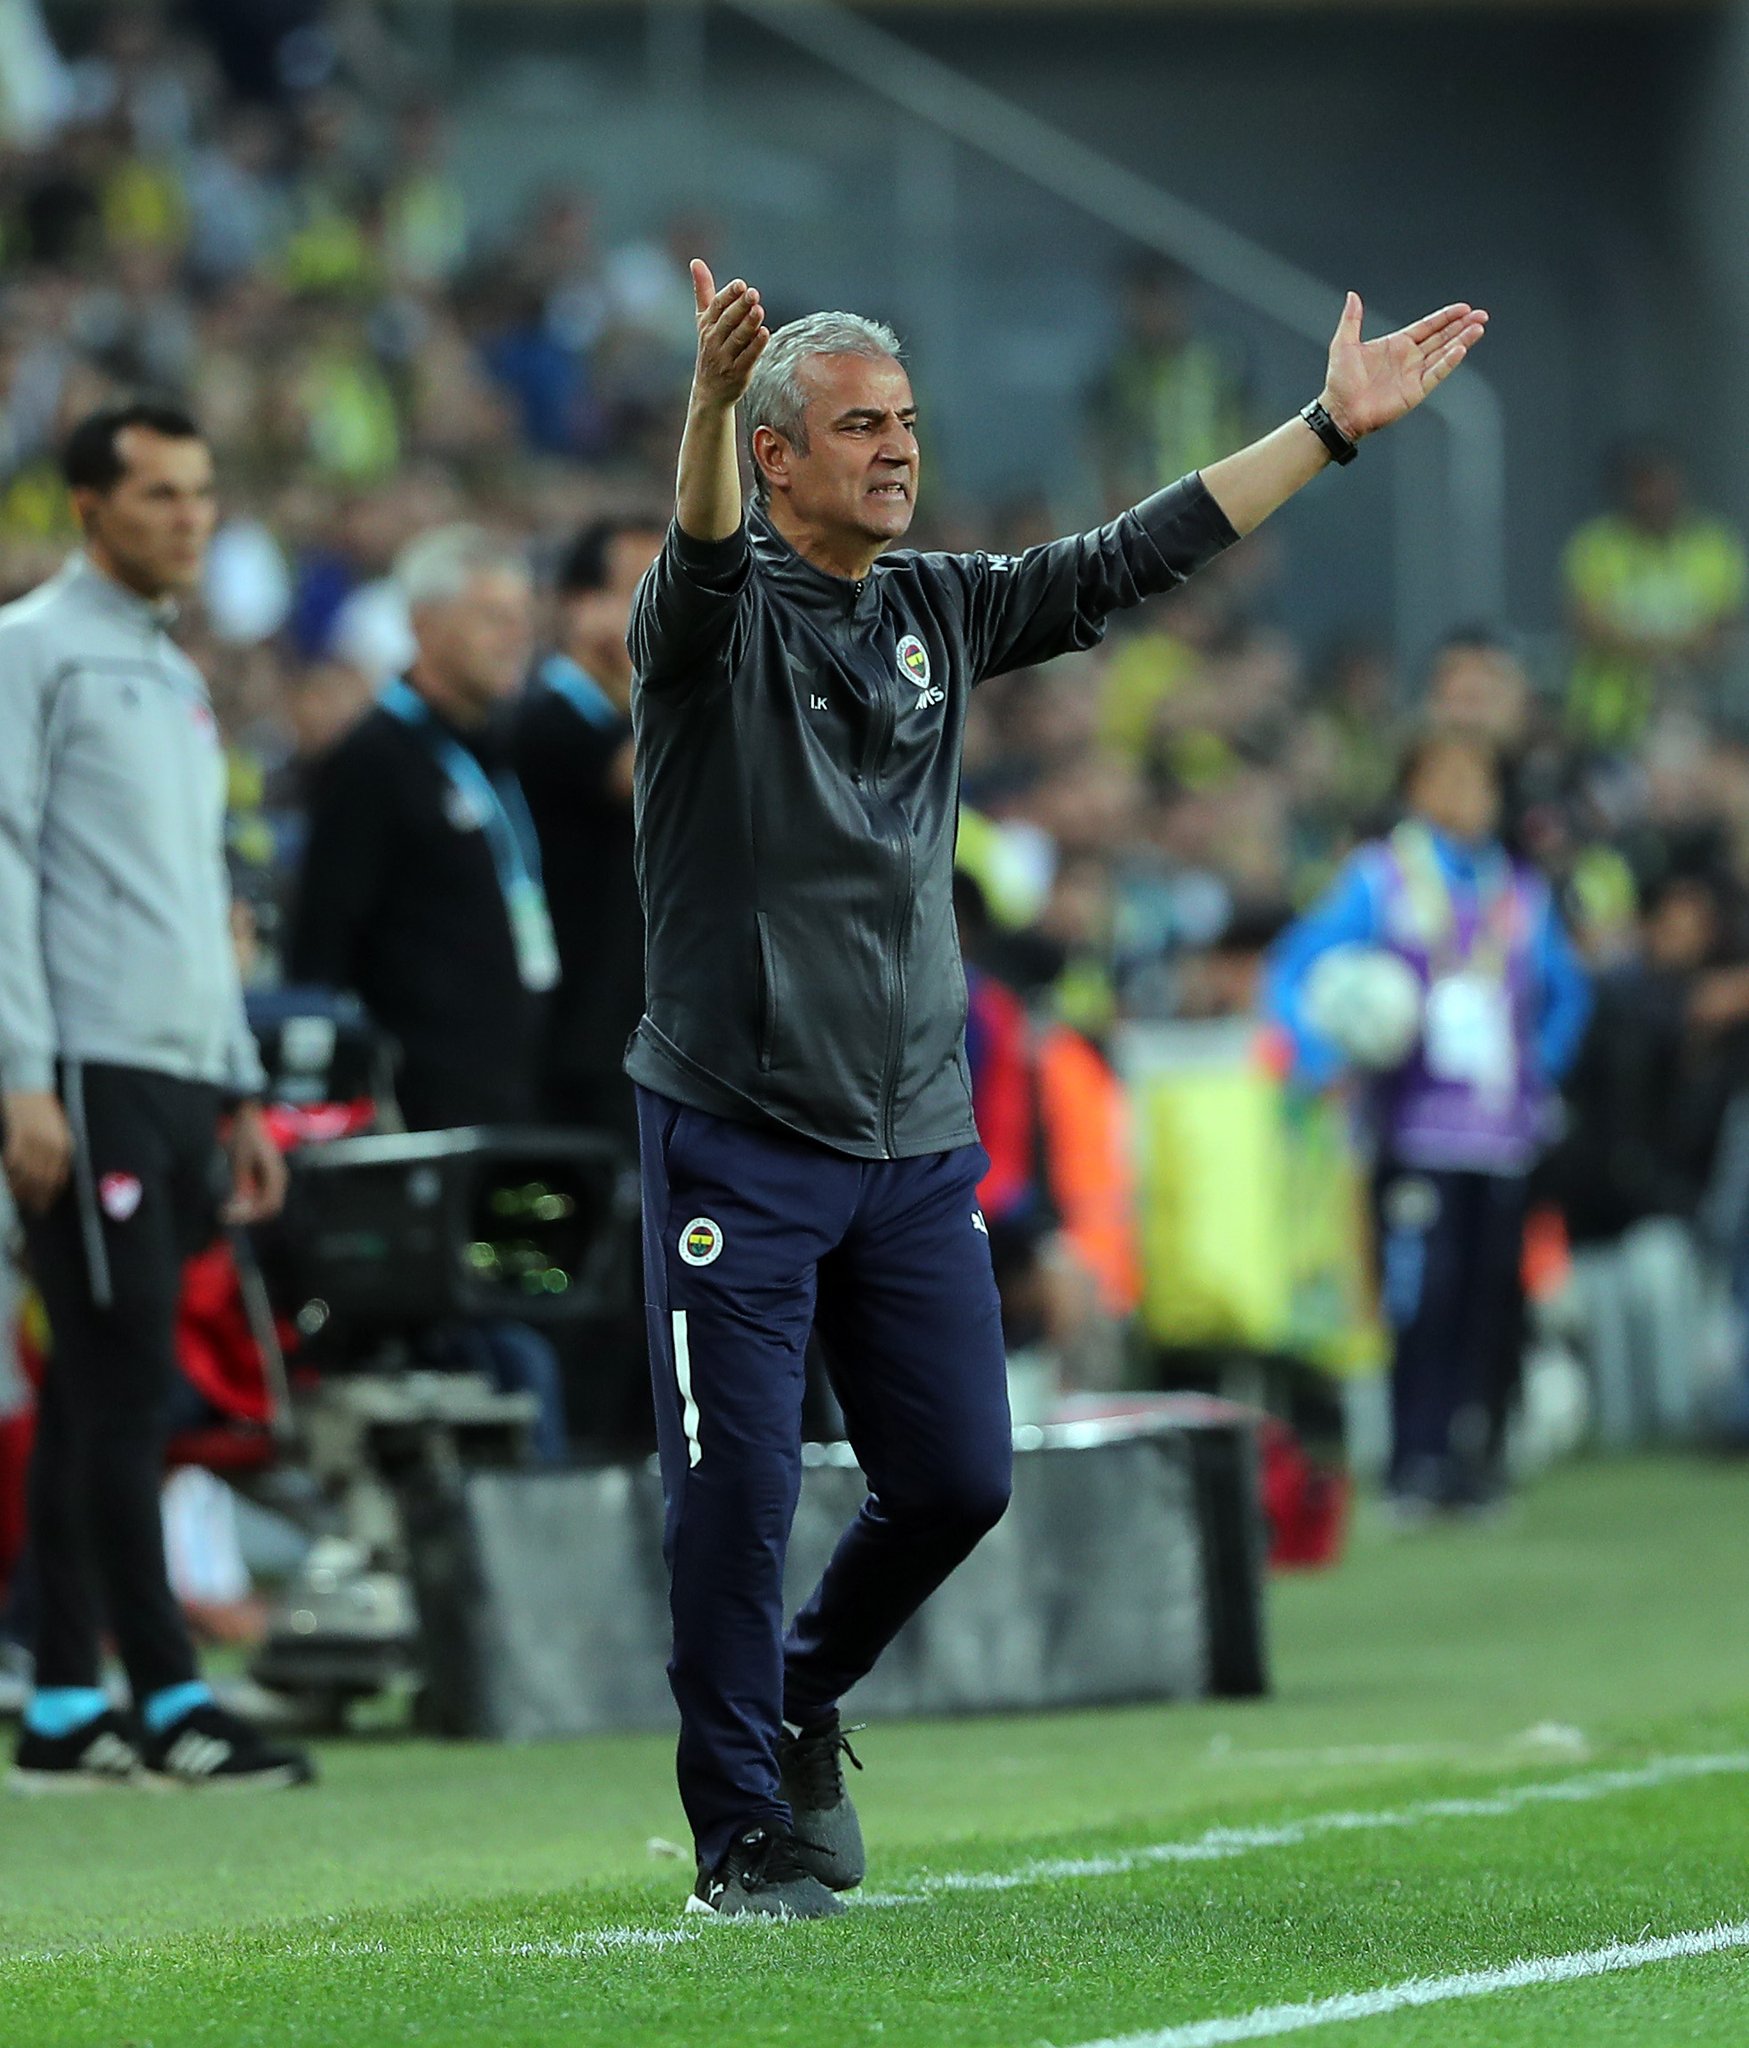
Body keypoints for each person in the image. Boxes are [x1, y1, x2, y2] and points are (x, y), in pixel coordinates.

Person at [631, 256, 1488, 1916]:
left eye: (904, 420)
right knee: (735, 1492)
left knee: (959, 1475)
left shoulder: (935, 610)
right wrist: (707, 402)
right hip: (739, 1128)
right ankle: (737, 1833)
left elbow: (1125, 558)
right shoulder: (708, 622)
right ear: (773, 457)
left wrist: (1325, 428)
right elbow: (700, 551)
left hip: (908, 1133)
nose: (896, 447)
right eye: (855, 427)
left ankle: (799, 1692)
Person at [0, 400, 311, 1789]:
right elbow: (1, 867)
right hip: (87, 1066)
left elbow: (196, 901)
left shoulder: (173, 673)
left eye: (200, 493)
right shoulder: (30, 653)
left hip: (180, 1074)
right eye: (159, 494)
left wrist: (238, 1085)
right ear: (87, 507)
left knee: (95, 1390)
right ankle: (174, 1695)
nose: (190, 518)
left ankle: (67, 1700)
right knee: (130, 1383)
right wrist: (21, 1075)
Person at [289, 523, 567, 1459]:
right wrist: (352, 1113)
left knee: (528, 1333)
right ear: (422, 624)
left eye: (520, 616)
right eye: (489, 616)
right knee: (495, 1351)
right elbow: (320, 955)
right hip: (423, 1133)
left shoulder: (494, 752)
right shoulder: (374, 760)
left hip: (508, 1116)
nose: (514, 635)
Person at [1266, 729, 1591, 1516]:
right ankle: (1411, 1461)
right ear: (1413, 789)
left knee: (1489, 1300)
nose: (1462, 796)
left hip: (1502, 1137)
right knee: (1422, 1297)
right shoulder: (1381, 880)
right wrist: (1318, 1056)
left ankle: (1467, 1460)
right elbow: (1292, 968)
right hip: (1414, 1134)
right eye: (1444, 778)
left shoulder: (1518, 892)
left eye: (1477, 780)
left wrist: (1538, 1067)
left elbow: (1566, 991)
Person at [515, 515, 665, 1146]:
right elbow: (652, 775)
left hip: (641, 1028)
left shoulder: (621, 717)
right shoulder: (544, 718)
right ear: (581, 606)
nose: (668, 605)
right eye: (644, 588)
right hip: (576, 1035)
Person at [1564, 443, 1747, 752]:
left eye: (1664, 485)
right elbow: (1588, 625)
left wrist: (1636, 639)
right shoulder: (1596, 545)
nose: (1656, 497)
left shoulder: (1714, 546)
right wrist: (1678, 643)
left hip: (1695, 717)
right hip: (1607, 720)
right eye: (1645, 487)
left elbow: (1724, 631)